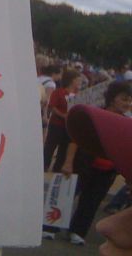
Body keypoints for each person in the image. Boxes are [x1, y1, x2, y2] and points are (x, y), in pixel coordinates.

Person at [60, 81, 132, 245]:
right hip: (84, 164)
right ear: (112, 99)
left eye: (129, 100)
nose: (127, 103)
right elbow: (74, 140)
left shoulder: (126, 124)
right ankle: (51, 226)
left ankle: (77, 231)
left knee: (91, 202)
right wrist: (68, 162)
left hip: (107, 172)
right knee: (68, 194)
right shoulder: (95, 115)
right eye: (124, 99)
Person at [43, 68, 82, 172]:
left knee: (64, 149)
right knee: (50, 146)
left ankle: (57, 168)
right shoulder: (59, 92)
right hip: (57, 124)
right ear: (72, 80)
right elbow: (52, 106)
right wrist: (63, 115)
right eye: (78, 80)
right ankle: (44, 165)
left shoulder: (79, 94)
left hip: (69, 127)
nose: (79, 82)